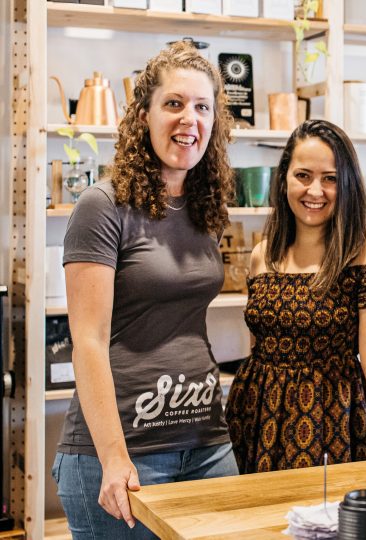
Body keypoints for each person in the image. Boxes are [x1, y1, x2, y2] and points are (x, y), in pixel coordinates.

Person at [53, 42, 239, 539]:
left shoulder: (204, 209)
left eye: (203, 107)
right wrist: (115, 458)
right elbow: (87, 340)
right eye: (174, 104)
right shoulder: (102, 206)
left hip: (206, 442)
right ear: (144, 115)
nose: (189, 119)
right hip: (123, 455)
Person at [225, 119, 366, 473]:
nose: (315, 190)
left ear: (346, 183)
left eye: (329, 178)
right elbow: (260, 344)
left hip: (329, 415)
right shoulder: (263, 254)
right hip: (255, 413)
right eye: (303, 175)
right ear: (284, 177)